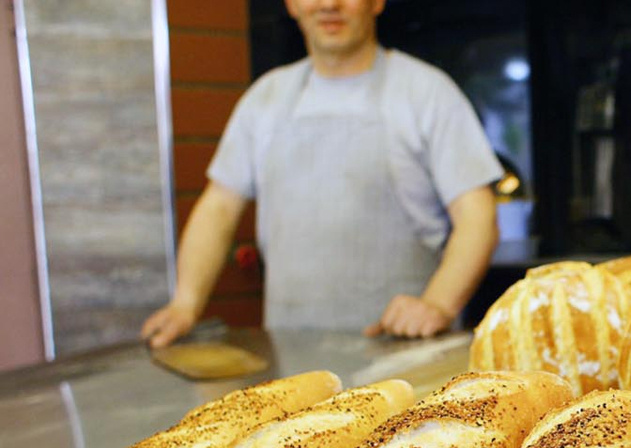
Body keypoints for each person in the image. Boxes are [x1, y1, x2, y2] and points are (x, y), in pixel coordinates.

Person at [141, 0, 502, 347]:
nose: (329, 4)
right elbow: (218, 207)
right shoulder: (265, 98)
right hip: (291, 356)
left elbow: (478, 216)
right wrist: (185, 304)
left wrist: (438, 304)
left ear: (376, 2)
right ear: (291, 4)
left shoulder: (427, 93)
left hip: (406, 354)